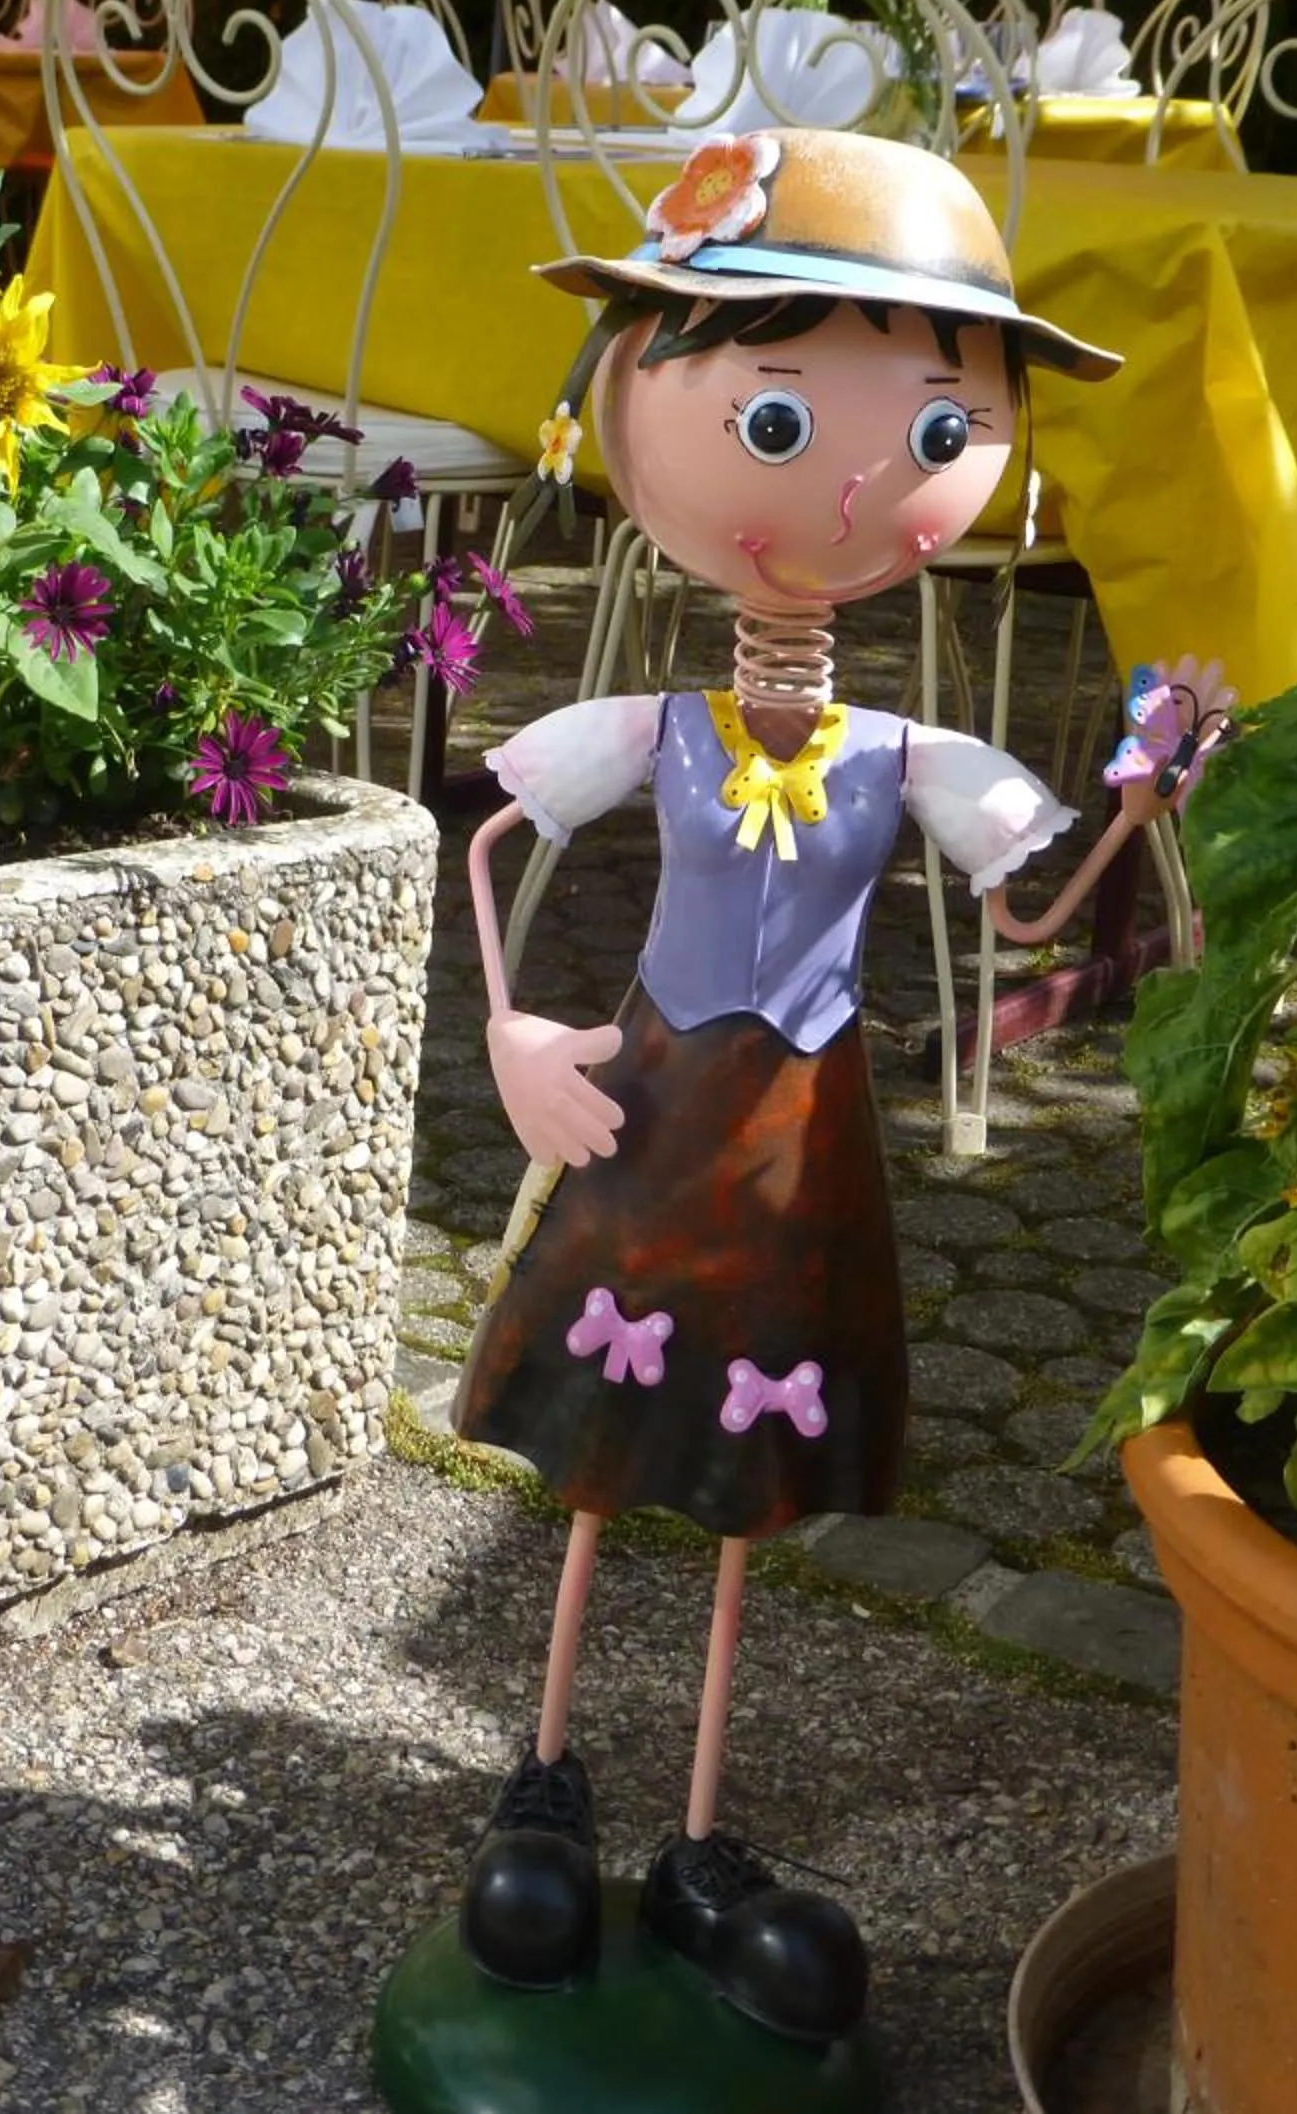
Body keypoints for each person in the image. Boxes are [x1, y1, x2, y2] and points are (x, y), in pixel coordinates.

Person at [449, 128, 1182, 2044]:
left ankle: (696, 1830)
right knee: (606, 1461)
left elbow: (1044, 927)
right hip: (654, 1108)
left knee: (741, 1485)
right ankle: (543, 1777)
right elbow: (480, 844)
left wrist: (1141, 810)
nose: (865, 473)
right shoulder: (651, 724)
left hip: (798, 1151)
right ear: (636, 392)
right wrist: (516, 1038)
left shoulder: (914, 754)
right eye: (774, 412)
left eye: (944, 432)